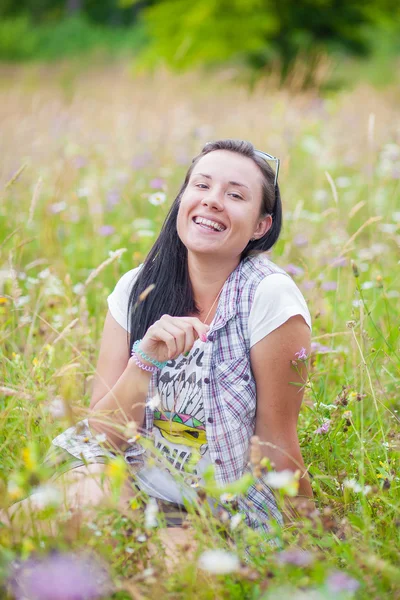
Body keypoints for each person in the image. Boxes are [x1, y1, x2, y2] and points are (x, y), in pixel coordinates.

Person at [9, 139, 313, 549]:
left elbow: (277, 442)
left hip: (219, 506)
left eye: (235, 195)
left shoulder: (269, 297)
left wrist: (310, 547)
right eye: (201, 186)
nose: (213, 201)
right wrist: (145, 360)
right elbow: (103, 436)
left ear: (261, 225)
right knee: (65, 506)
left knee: (177, 567)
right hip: (129, 481)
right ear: (182, 200)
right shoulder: (137, 288)